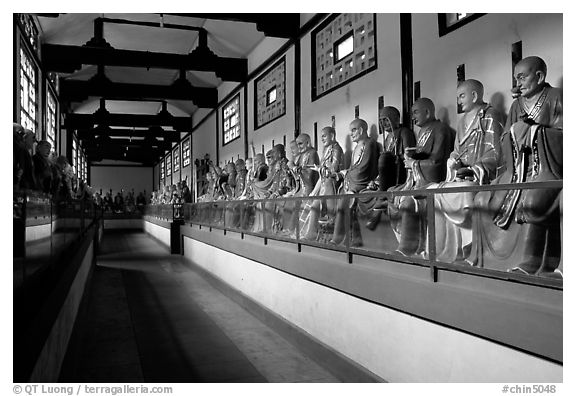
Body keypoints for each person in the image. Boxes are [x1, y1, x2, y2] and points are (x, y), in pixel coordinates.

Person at [467, 56, 562, 277]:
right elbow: (504, 141)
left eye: (522, 77)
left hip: (546, 168)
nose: (518, 83)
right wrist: (516, 135)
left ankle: (531, 260)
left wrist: (534, 132)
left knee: (532, 200)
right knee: (482, 198)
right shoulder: (517, 104)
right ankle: (482, 256)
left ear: (539, 76)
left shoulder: (557, 97)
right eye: (515, 78)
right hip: (516, 170)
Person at [430, 79, 504, 262]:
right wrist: (453, 161)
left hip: (481, 176)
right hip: (461, 175)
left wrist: (476, 169)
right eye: (457, 97)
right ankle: (443, 248)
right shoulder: (462, 121)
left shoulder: (490, 115)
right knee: (433, 191)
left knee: (464, 192)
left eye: (462, 96)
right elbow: (457, 150)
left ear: (475, 95)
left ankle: (469, 244)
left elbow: (496, 151)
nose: (459, 101)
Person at [387, 97, 454, 256]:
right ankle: (402, 239)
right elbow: (425, 155)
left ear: (428, 112)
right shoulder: (422, 131)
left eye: (416, 112)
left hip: (431, 179)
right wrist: (411, 156)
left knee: (408, 202)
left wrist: (414, 164)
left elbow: (437, 162)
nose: (413, 117)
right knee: (391, 192)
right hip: (417, 178)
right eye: (412, 113)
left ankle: (408, 247)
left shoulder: (440, 129)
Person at [330, 118, 379, 246]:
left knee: (344, 202)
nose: (351, 134)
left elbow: (363, 168)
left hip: (363, 181)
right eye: (350, 131)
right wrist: (340, 173)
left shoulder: (369, 143)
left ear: (361, 130)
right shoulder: (357, 146)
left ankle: (339, 237)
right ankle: (350, 237)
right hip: (354, 181)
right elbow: (353, 168)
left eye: (353, 130)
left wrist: (346, 174)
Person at [299, 126, 344, 240]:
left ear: (332, 136)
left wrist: (322, 169)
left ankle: (330, 216)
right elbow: (322, 174)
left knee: (318, 198)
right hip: (324, 182)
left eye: (324, 136)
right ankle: (310, 233)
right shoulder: (325, 150)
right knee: (313, 204)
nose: (322, 139)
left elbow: (333, 169)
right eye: (321, 137)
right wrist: (314, 191)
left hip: (334, 183)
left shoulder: (336, 149)